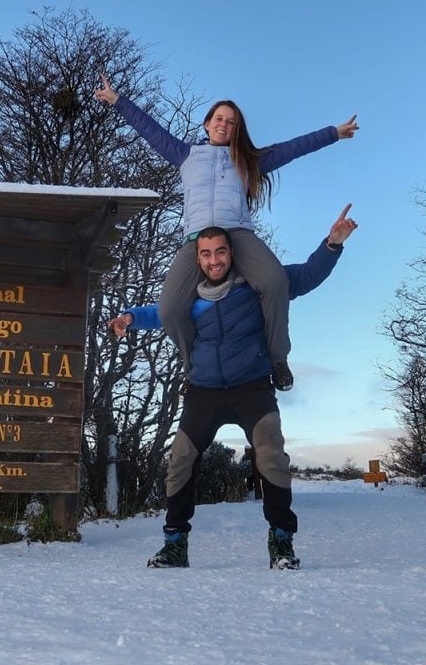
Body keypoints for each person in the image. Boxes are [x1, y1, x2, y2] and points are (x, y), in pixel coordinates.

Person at [108, 204, 358, 569]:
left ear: (231, 253)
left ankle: (282, 542)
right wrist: (130, 316)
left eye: (220, 252)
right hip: (204, 390)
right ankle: (174, 544)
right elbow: (158, 312)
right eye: (206, 254)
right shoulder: (189, 299)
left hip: (251, 387)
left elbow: (305, 276)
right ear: (197, 258)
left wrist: (332, 244)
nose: (214, 260)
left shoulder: (257, 287)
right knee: (180, 460)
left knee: (271, 453)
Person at [96, 74, 359, 391]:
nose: (224, 124)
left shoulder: (248, 161)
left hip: (238, 235)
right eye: (219, 118)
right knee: (169, 309)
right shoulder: (185, 155)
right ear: (207, 124)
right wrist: (117, 100)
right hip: (197, 240)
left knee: (274, 281)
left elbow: (294, 148)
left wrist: (334, 133)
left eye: (231, 122)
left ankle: (278, 359)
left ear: (237, 130)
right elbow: (151, 130)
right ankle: (193, 368)